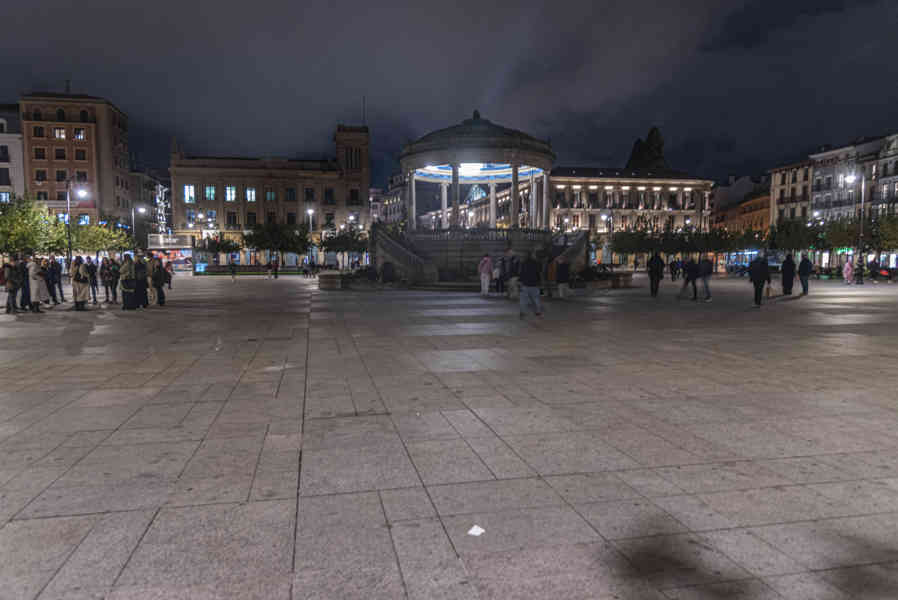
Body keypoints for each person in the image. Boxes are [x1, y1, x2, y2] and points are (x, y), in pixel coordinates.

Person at [518, 250, 542, 319]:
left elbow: (521, 273)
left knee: (523, 299)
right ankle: (538, 311)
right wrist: (539, 282)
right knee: (536, 298)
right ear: (532, 255)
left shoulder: (523, 263)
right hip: (535, 284)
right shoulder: (537, 263)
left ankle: (522, 312)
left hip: (525, 284)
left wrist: (520, 281)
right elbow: (539, 273)